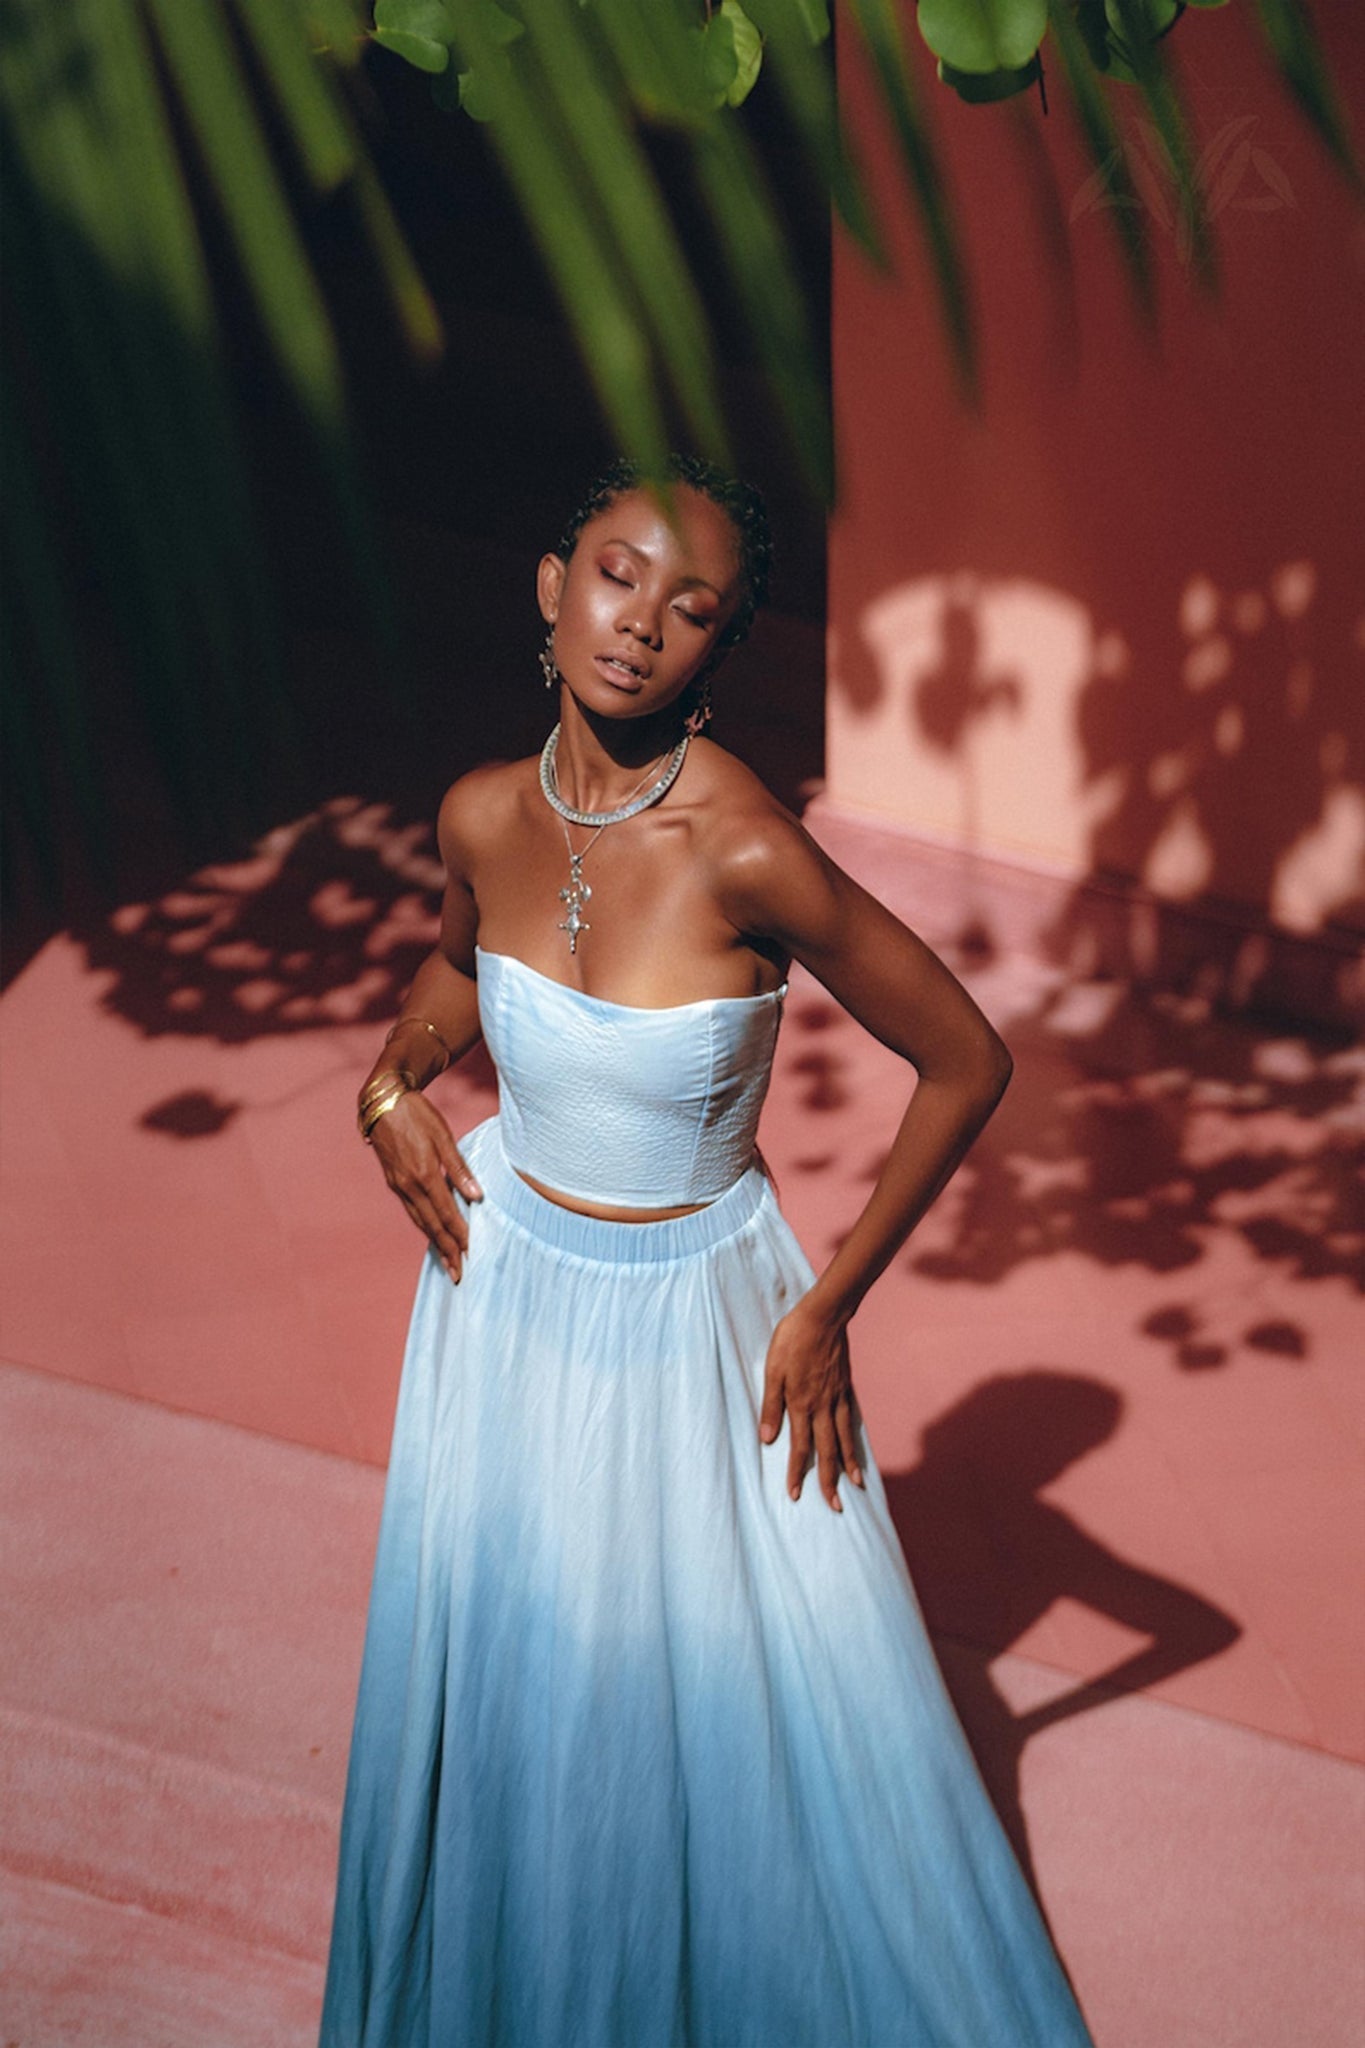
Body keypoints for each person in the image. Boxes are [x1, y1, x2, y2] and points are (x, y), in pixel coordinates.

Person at [318, 455, 1096, 2047]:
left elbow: (965, 1058)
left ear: (720, 649)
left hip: (702, 1331)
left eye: (692, 610)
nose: (640, 627)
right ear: (551, 587)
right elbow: (459, 971)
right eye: (617, 576)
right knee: (525, 1679)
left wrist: (829, 1304)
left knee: (725, 1728)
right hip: (502, 1295)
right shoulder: (481, 808)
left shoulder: (747, 850)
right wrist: (391, 1081)